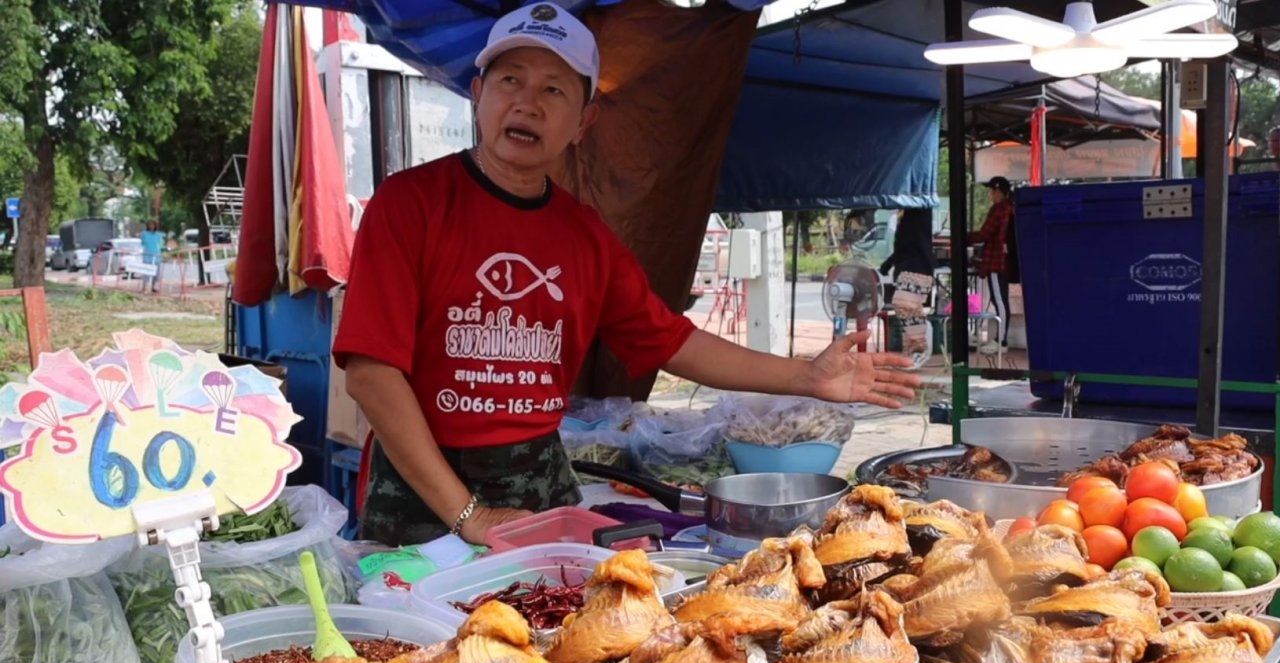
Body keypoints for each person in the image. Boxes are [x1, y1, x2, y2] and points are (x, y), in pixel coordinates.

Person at [332, 3, 924, 548]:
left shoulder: (585, 236)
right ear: (479, 93)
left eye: (554, 89)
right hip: (424, 480)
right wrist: (468, 515)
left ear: (583, 121)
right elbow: (371, 374)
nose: (528, 102)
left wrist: (807, 377)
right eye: (510, 80)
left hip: (537, 472)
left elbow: (672, 342)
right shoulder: (409, 204)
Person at [879, 208, 937, 365]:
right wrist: (889, 263)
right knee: (904, 310)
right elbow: (902, 245)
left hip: (920, 265)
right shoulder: (903, 216)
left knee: (903, 302)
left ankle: (921, 344)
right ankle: (913, 349)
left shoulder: (919, 208)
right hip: (904, 266)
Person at [969, 176, 1017, 353]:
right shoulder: (1011, 207)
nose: (990, 194)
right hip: (1006, 261)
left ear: (998, 191)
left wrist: (965, 236)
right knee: (1001, 301)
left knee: (1000, 302)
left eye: (991, 190)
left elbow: (984, 234)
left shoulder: (998, 209)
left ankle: (1000, 342)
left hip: (996, 262)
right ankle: (1000, 340)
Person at [139, 220, 165, 293]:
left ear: (155, 226)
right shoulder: (144, 234)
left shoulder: (159, 235)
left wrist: (162, 250)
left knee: (155, 273)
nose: (151, 226)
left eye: (153, 225)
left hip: (156, 255)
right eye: (150, 225)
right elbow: (142, 243)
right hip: (147, 255)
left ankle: (153, 287)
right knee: (146, 272)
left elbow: (161, 245)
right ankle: (144, 287)